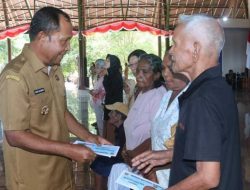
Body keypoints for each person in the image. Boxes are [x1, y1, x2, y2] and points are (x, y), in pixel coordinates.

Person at [0, 6, 109, 190]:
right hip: (34, 180)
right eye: (64, 41)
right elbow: (15, 135)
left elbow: (61, 111)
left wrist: (88, 136)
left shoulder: (55, 68)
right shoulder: (16, 77)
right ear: (42, 37)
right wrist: (69, 149)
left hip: (61, 174)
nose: (68, 48)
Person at [134, 14, 243, 190]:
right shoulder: (219, 87)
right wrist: (172, 155)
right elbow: (214, 150)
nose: (171, 51)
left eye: (176, 44)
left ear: (195, 50)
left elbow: (208, 178)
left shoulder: (201, 99)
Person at [108, 53, 166, 190]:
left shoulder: (158, 95)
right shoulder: (142, 92)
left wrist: (134, 155)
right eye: (138, 70)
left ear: (157, 75)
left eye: (145, 72)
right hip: (134, 159)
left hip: (146, 163)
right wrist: (126, 149)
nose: (138, 75)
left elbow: (157, 136)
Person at [90, 102, 128, 190]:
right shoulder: (119, 129)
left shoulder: (123, 130)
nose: (109, 114)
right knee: (98, 160)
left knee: (97, 163)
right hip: (119, 157)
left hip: (121, 161)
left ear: (119, 117)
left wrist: (103, 151)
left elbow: (120, 152)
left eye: (112, 112)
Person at [103, 54, 123, 143]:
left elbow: (113, 92)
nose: (105, 62)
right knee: (107, 127)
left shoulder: (115, 75)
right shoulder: (109, 74)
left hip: (114, 107)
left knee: (112, 129)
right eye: (106, 60)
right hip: (109, 104)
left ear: (113, 63)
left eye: (108, 61)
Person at [89, 59, 106, 136]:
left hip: (101, 103)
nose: (95, 69)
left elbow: (96, 91)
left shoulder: (104, 78)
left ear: (102, 68)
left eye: (97, 67)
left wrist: (91, 92)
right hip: (98, 102)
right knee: (100, 122)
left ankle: (103, 138)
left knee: (101, 122)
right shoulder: (99, 77)